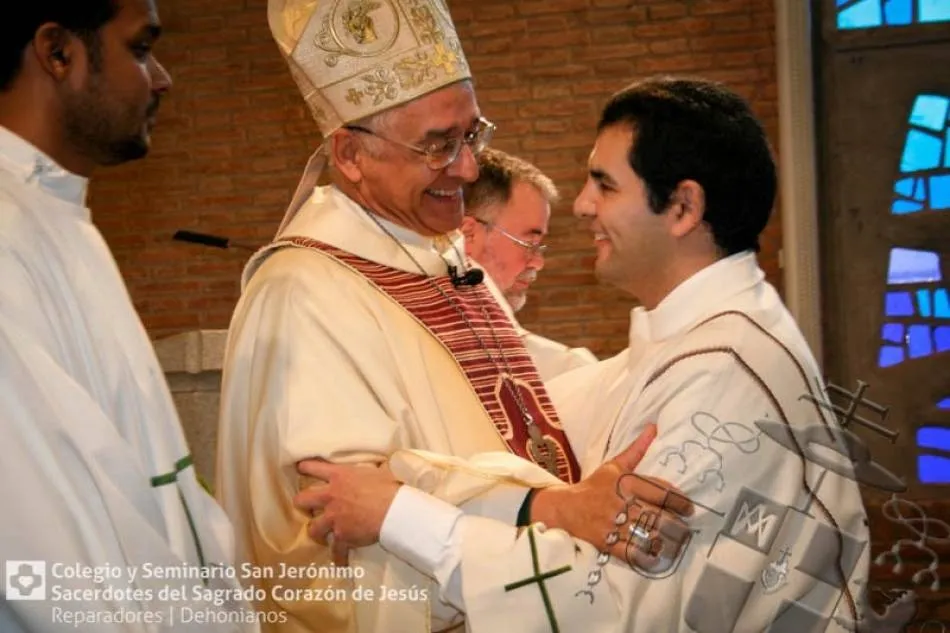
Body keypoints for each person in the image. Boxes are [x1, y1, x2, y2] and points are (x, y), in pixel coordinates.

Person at [294, 77, 871, 632]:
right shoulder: (693, 340)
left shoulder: (725, 374)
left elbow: (610, 604)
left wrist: (400, 516)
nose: (582, 206)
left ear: (683, 208)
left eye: (605, 184)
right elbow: (514, 423)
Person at [214, 2, 676, 632]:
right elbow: (348, 512)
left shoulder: (448, 263)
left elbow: (525, 412)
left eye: (471, 135)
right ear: (349, 154)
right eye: (437, 146)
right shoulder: (302, 292)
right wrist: (551, 508)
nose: (467, 168)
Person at [0, 1, 257, 631]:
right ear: (57, 52)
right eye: (140, 49)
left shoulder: (57, 213)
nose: (162, 78)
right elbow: (48, 557)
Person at [460, 147, 597, 380]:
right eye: (529, 243)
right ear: (469, 235)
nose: (538, 262)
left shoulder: (566, 373)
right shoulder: (564, 374)